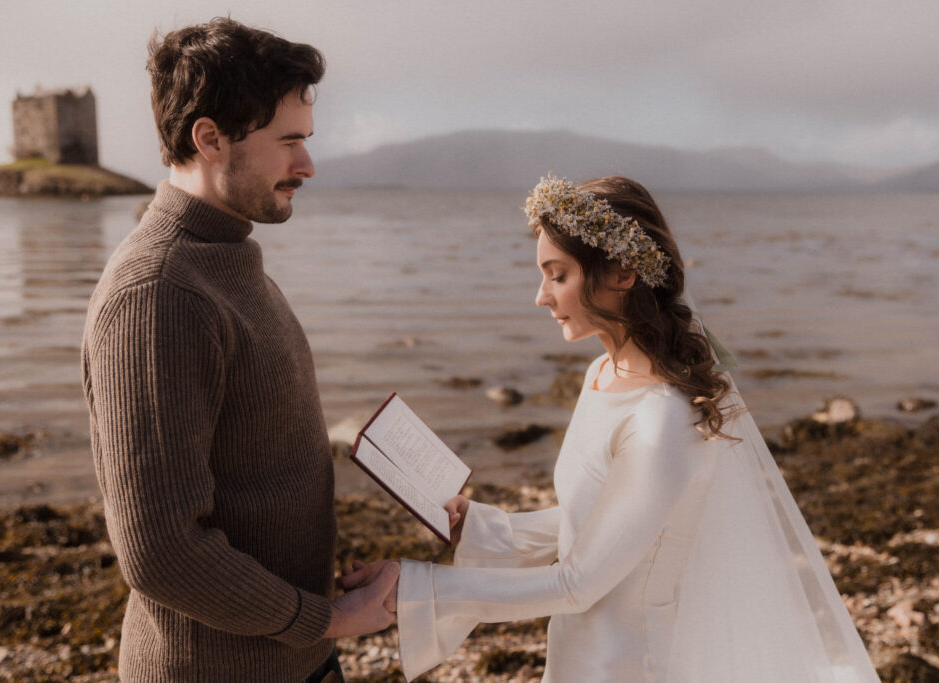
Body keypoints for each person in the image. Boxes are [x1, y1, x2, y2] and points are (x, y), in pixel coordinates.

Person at [344, 175, 880, 682]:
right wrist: (483, 530)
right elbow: (600, 521)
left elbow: (577, 582)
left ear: (623, 274)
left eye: (558, 275)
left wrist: (417, 586)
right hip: (580, 649)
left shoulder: (660, 421)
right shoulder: (603, 372)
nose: (541, 295)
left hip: (630, 662)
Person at [81, 18, 397, 682]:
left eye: (306, 141)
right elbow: (162, 552)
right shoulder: (160, 293)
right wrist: (332, 617)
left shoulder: (226, 258)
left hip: (295, 655)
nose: (307, 164)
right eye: (288, 143)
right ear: (209, 137)